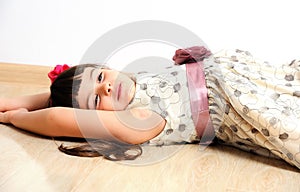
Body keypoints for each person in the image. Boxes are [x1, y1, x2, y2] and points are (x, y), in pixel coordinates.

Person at [1, 46, 300, 169]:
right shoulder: (139, 119)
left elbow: (58, 96)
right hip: (248, 104)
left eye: (102, 76)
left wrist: (17, 100)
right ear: (92, 118)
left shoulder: (131, 80)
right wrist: (17, 117)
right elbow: (56, 115)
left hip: (259, 77)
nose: (105, 87)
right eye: (96, 100)